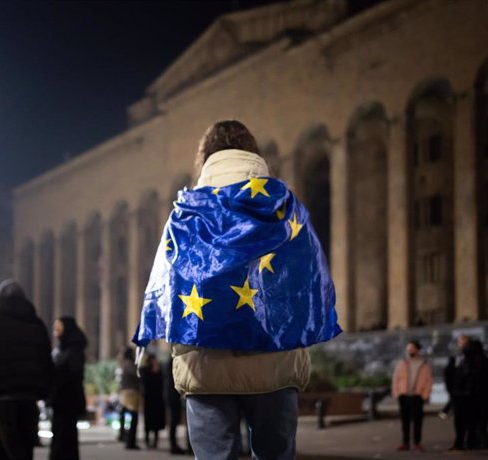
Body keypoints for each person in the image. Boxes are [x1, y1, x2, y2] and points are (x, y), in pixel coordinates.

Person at [133, 120, 340, 460]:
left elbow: (162, 288)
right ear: (253, 153)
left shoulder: (185, 214)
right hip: (276, 364)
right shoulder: (285, 207)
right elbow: (309, 281)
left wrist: (149, 339)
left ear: (205, 158)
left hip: (204, 366)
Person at [0, 280, 52, 460]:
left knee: (9, 440)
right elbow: (45, 358)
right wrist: (46, 388)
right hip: (30, 391)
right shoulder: (36, 323)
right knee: (26, 439)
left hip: (4, 391)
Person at [48, 316, 87, 460]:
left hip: (68, 399)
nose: (55, 329)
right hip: (59, 399)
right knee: (60, 434)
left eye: (58, 326)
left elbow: (74, 374)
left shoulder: (74, 349)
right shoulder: (61, 348)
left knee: (66, 436)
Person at [391, 340, 433, 452]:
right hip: (404, 395)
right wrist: (397, 393)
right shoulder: (402, 363)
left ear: (418, 349)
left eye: (412, 348)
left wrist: (425, 395)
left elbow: (429, 381)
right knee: (405, 421)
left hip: (417, 396)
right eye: (408, 348)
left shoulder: (424, 364)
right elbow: (396, 378)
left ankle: (417, 443)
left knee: (418, 421)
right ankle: (405, 443)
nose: (410, 350)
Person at [448, 335, 479, 451]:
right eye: (459, 341)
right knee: (461, 420)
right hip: (460, 392)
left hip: (466, 393)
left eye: (462, 341)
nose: (460, 343)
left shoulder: (470, 356)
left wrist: (467, 389)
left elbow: (470, 374)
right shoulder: (459, 356)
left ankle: (466, 442)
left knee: (467, 419)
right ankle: (461, 442)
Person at [140, 354, 166, 449]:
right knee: (148, 421)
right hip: (148, 399)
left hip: (158, 399)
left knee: (156, 422)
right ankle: (147, 440)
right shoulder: (144, 370)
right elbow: (144, 384)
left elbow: (162, 383)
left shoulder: (159, 370)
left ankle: (155, 441)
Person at [164, 357, 186, 455]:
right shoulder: (173, 360)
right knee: (174, 420)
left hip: (171, 393)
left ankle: (173, 445)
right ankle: (173, 446)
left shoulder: (170, 361)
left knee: (174, 420)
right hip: (173, 394)